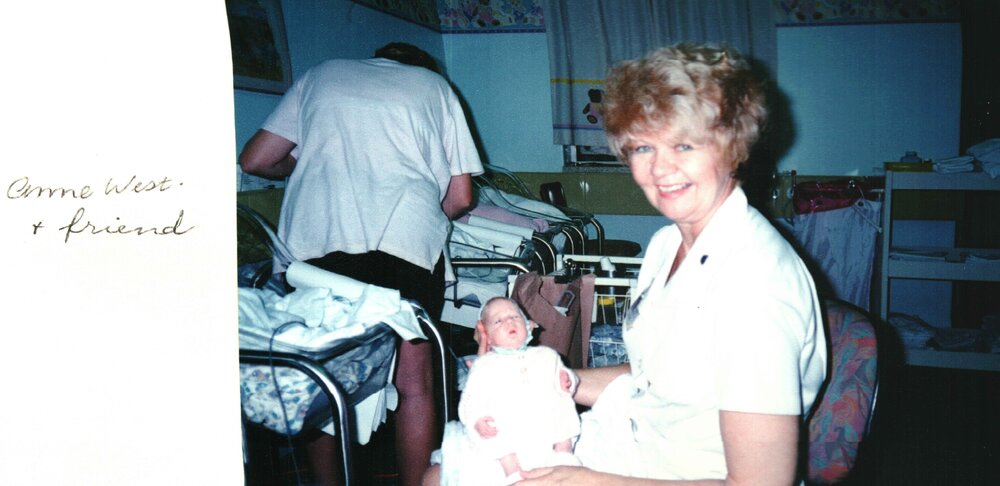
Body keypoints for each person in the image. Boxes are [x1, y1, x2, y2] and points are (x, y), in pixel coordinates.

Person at [427, 43, 827, 485]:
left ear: (732, 146)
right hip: (626, 443)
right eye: (642, 148)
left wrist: (584, 481)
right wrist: (541, 378)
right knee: (444, 470)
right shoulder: (666, 244)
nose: (661, 169)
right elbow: (655, 375)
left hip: (680, 475)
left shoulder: (755, 286)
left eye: (684, 144)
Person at [239, 42, 484, 486]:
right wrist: (428, 214)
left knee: (323, 375)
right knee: (415, 384)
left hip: (315, 240)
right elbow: (462, 197)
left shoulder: (323, 70)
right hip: (404, 240)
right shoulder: (435, 86)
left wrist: (299, 166)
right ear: (419, 68)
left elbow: (255, 159)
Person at [435, 297, 580, 485]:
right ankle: (512, 471)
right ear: (486, 334)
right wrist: (477, 418)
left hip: (545, 423)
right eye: (498, 321)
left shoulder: (547, 355)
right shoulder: (484, 366)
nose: (509, 322)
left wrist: (568, 380)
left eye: (514, 317)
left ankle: (564, 453)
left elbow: (568, 379)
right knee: (494, 434)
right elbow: (470, 399)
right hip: (509, 426)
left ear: (529, 325)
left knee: (564, 408)